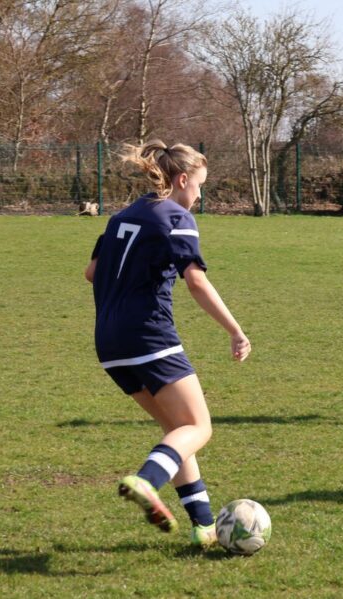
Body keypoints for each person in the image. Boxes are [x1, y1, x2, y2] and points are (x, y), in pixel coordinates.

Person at [85, 140, 250, 548]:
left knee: (176, 431)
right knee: (198, 427)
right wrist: (234, 329)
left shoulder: (123, 215)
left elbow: (91, 272)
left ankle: (204, 526)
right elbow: (195, 280)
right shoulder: (175, 216)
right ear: (181, 180)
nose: (200, 194)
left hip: (108, 341)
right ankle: (146, 480)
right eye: (200, 185)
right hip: (149, 335)